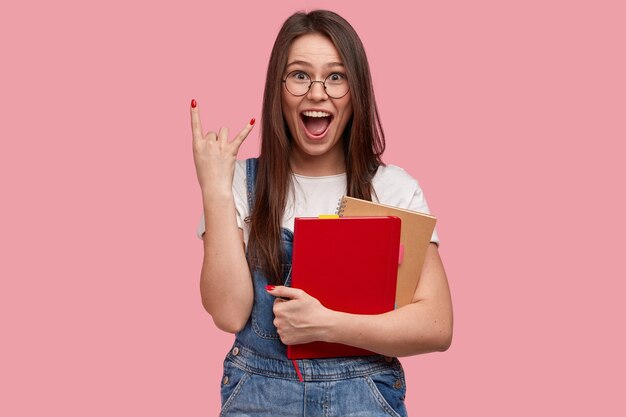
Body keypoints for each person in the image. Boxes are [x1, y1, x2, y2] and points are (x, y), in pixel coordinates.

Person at [191, 9, 452, 416]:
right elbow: (228, 312)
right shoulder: (239, 184)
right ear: (277, 89)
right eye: (299, 75)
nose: (317, 93)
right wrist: (214, 189)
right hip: (260, 398)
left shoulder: (392, 189)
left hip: (365, 397)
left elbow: (436, 325)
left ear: (356, 90)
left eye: (335, 76)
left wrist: (327, 325)